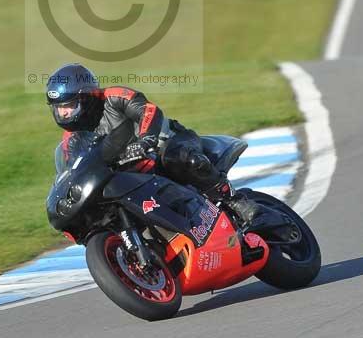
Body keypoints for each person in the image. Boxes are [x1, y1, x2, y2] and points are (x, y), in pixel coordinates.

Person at [46, 62, 258, 225]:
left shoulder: (114, 97)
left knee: (179, 158)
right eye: (58, 108)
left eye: (69, 106)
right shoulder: (70, 141)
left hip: (167, 142)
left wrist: (146, 139)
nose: (63, 113)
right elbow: (76, 169)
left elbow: (148, 111)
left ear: (86, 97)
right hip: (134, 172)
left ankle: (234, 200)